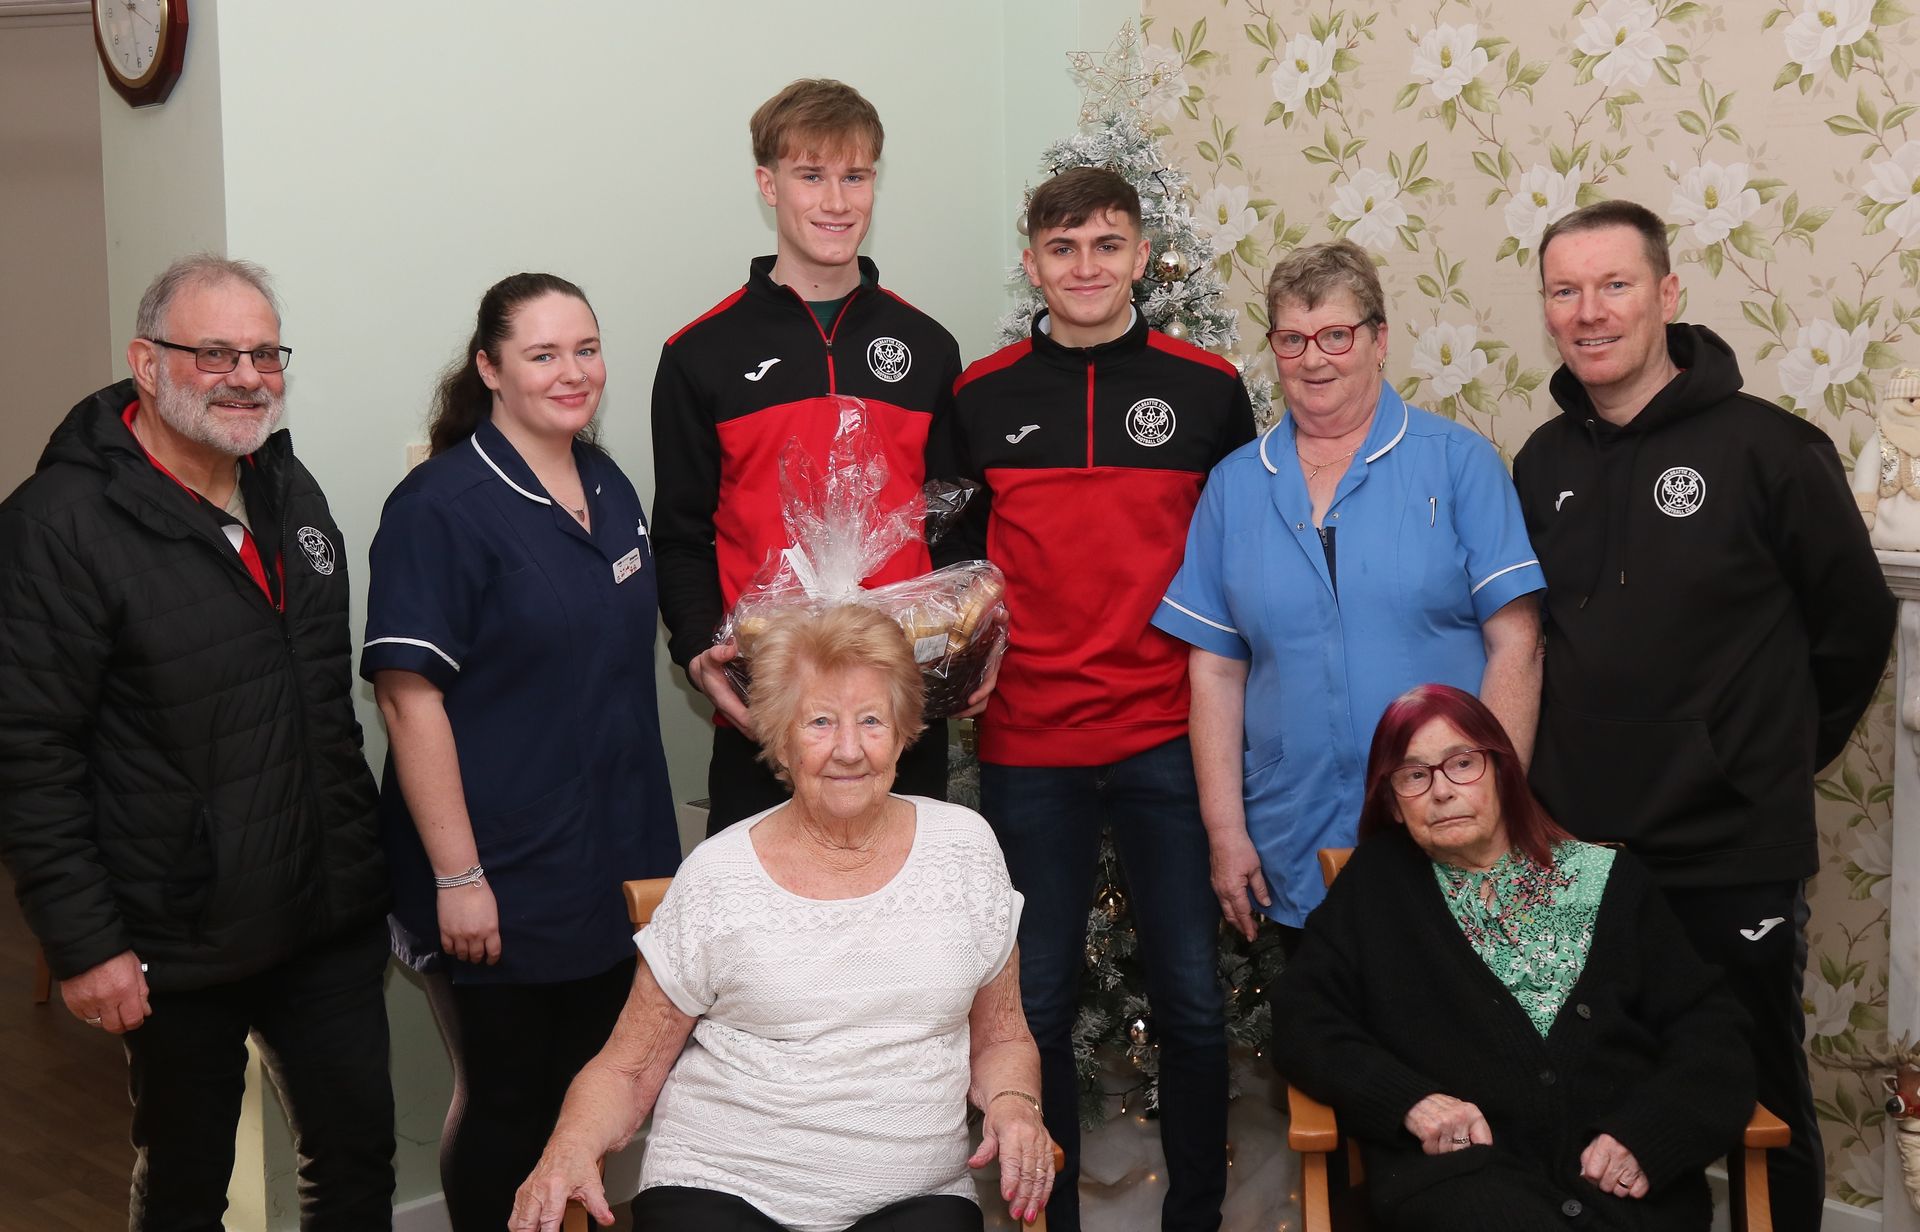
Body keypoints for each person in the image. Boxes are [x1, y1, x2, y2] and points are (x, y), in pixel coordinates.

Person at [1511, 199, 1897, 1227]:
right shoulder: (1541, 463)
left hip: (1730, 849)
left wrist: (1759, 754)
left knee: (1759, 1092)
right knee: (1599, 1091)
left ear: (1668, 293)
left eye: (1615, 284)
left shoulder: (1773, 449)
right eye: (1565, 290)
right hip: (1581, 848)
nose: (1590, 311)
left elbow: (1856, 626)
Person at [0, 255, 394, 1227]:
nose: (246, 377)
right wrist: (86, 943)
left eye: (265, 353)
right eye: (215, 353)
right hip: (174, 934)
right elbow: (29, 752)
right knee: (185, 1185)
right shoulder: (58, 525)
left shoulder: (288, 490)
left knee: (355, 1165)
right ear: (147, 363)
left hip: (323, 913)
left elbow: (319, 701)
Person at [933, 165, 1254, 1232]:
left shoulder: (1208, 388)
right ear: (1032, 264)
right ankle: (1050, 1220)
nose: (1085, 267)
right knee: (1036, 1006)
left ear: (1142, 258)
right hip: (1030, 744)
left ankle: (1195, 1219)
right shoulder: (980, 397)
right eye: (1063, 248)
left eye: (1107, 244)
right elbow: (950, 569)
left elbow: (1241, 556)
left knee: (1193, 1001)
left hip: (1170, 737)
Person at [508, 604, 1051, 1232]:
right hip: (722, 1187)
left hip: (914, 1193)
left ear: (904, 731)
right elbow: (628, 1068)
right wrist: (569, 1147)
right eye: (820, 721)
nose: (849, 750)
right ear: (781, 740)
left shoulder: (965, 849)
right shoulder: (718, 876)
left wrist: (1016, 1104)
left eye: (871, 720)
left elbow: (1003, 1037)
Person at [361, 273, 681, 1232]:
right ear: (490, 369)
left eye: (586, 349)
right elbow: (408, 698)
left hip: (613, 853)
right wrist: (460, 877)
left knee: (591, 1089)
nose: (572, 372)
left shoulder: (607, 483)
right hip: (494, 866)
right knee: (510, 1099)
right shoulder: (439, 506)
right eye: (543, 354)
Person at [1153, 239, 1545, 950]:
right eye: (1292, 339)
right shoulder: (1235, 485)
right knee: (1324, 1014)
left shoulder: (1457, 463)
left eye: (1335, 335)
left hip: (1448, 824)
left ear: (1379, 340)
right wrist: (1225, 829)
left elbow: (1517, 643)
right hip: (1295, 826)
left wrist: (1495, 805)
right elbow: (1215, 670)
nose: (1313, 359)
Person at [1272, 684, 1755, 1231]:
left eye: (1462, 764)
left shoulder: (1611, 881)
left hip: (1618, 1178)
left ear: (1502, 771)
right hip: (1464, 1184)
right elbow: (1303, 1020)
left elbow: (1712, 1030)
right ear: (1392, 803)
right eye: (1414, 775)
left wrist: (1649, 1134)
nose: (1442, 791)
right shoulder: (1374, 888)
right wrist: (1410, 1102)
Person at [651, 78, 965, 833]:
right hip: (766, 711)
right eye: (811, 175)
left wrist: (967, 650)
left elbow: (957, 527)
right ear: (769, 186)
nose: (836, 201)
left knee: (910, 906)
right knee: (762, 909)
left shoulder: (928, 346)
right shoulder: (700, 353)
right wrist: (696, 650)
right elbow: (681, 534)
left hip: (901, 710)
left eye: (855, 177)